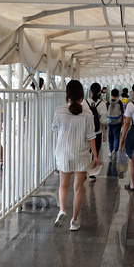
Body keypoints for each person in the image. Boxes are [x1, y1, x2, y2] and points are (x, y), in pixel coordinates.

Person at [52, 80, 99, 231]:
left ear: (67, 94)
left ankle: (62, 210)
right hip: (81, 153)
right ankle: (74, 221)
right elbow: (91, 136)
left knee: (63, 185)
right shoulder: (87, 113)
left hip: (63, 153)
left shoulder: (60, 110)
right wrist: (95, 156)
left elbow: (54, 127)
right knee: (78, 188)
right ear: (81, 94)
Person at [83, 82, 107, 183]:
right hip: (97, 132)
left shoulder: (84, 102)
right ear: (99, 91)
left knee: (85, 152)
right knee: (95, 152)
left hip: (85, 132)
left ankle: (83, 172)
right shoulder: (102, 104)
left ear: (90, 91)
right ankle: (92, 175)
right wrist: (104, 133)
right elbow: (103, 120)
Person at [106, 88, 124, 161]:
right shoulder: (119, 102)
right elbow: (122, 113)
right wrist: (122, 121)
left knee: (110, 137)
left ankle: (110, 151)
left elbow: (106, 112)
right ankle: (115, 150)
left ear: (111, 94)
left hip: (110, 122)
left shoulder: (108, 102)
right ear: (118, 95)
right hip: (118, 122)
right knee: (116, 136)